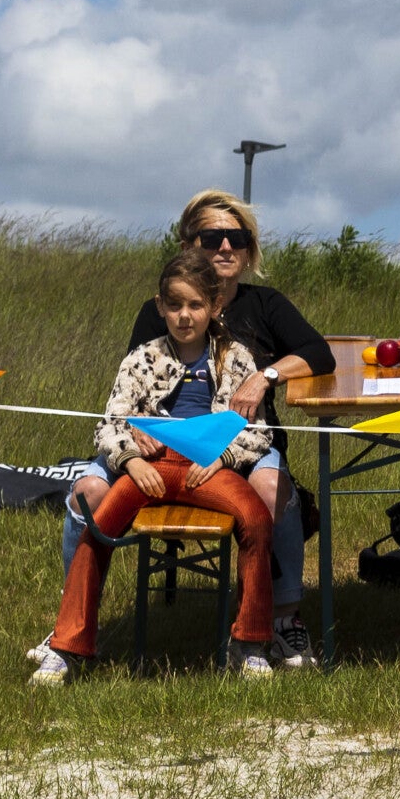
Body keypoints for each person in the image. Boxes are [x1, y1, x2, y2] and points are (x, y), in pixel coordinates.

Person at [31, 246, 281, 685]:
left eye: (195, 305)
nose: (185, 316)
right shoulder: (141, 358)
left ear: (214, 306)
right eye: (175, 305)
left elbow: (258, 431)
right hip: (150, 467)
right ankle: (68, 645)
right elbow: (110, 423)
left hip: (211, 468)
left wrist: (222, 457)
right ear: (160, 306)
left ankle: (248, 642)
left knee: (257, 519)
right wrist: (129, 459)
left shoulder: (237, 358)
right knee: (100, 526)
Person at [121, 189, 335, 667]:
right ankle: (71, 631)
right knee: (88, 491)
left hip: (246, 442)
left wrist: (266, 375)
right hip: (163, 446)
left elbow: (318, 353)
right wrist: (137, 432)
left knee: (272, 487)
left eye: (236, 238)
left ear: (248, 248)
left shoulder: (266, 304)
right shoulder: (157, 312)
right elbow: (129, 386)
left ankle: (282, 619)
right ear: (187, 245)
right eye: (212, 236)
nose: (224, 246)